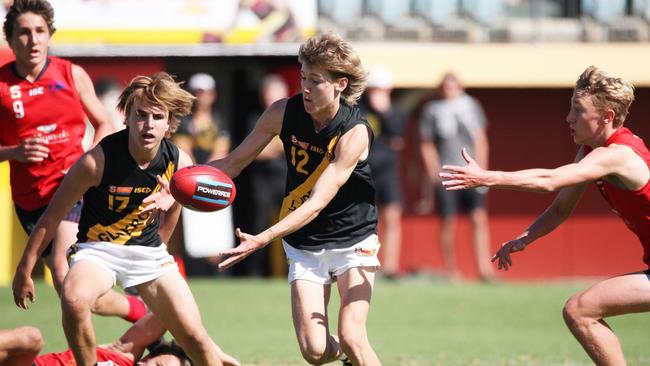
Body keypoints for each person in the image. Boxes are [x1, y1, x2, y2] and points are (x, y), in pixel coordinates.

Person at [148, 34, 381, 365]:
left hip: (352, 239)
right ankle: (339, 351)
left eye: (316, 81)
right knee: (314, 352)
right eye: (303, 78)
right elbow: (231, 164)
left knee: (353, 336)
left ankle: (348, 347)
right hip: (305, 242)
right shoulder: (282, 113)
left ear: (340, 84)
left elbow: (316, 203)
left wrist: (263, 238)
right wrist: (175, 187)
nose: (306, 88)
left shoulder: (354, 133)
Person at [12, 72, 227, 366]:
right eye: (140, 115)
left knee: (195, 337)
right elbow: (52, 216)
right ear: (126, 117)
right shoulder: (95, 161)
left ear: (169, 123)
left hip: (148, 252)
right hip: (98, 251)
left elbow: (173, 211)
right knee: (74, 301)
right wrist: (25, 268)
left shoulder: (180, 162)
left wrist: (160, 240)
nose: (148, 124)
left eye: (157, 116)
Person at [440, 65, 649, 365]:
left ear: (607, 117)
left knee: (580, 309)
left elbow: (549, 180)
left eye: (578, 110)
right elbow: (561, 207)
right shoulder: (593, 150)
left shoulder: (617, 155)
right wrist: (525, 238)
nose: (569, 118)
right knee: (581, 309)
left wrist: (488, 177)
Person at [0, 0, 148, 324]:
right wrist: (13, 152)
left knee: (60, 268)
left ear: (50, 35)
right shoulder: (1, 86)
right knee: (78, 293)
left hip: (72, 189)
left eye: (40, 31)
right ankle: (144, 317)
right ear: (10, 39)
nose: (33, 40)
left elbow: (105, 123)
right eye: (24, 33)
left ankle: (90, 357)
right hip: (30, 201)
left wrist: (85, 163)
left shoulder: (70, 74)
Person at [418, 72, 493, 281]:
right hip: (447, 174)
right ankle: (451, 270)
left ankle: (485, 270)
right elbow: (427, 144)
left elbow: (480, 139)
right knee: (447, 222)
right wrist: (434, 173)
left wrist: (483, 172)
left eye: (453, 86)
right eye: (445, 86)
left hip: (471, 172)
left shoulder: (471, 106)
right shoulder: (432, 110)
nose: (449, 90)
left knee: (478, 219)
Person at [0, 313, 241, 366]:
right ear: (149, 357)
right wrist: (215, 354)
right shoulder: (121, 354)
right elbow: (169, 315)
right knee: (31, 338)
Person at [240, 73, 290, 277]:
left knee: (289, 226)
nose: (271, 99)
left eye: (275, 94)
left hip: (286, 179)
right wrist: (278, 146)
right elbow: (253, 152)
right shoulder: (256, 118)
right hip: (262, 181)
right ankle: (255, 272)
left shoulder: (294, 118)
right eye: (268, 94)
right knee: (259, 225)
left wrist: (272, 146)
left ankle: (290, 270)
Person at [359, 66, 405, 278]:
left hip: (388, 171)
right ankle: (364, 263)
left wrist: (385, 112)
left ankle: (391, 266)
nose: (378, 94)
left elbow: (398, 136)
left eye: (382, 90)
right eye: (375, 89)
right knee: (365, 219)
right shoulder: (360, 109)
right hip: (365, 170)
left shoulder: (394, 111)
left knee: (393, 216)